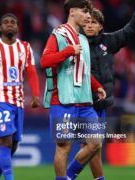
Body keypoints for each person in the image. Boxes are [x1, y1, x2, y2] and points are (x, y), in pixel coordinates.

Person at [40, 0, 106, 179]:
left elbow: (83, 71)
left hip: (84, 101)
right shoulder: (58, 34)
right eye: (84, 12)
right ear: (72, 12)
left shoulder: (83, 39)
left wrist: (97, 86)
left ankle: (68, 175)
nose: (87, 16)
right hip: (63, 99)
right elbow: (45, 61)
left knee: (95, 143)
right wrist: (67, 51)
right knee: (64, 146)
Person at [82, 1, 135, 179]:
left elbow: (130, 31)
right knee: (91, 146)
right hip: (82, 103)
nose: (89, 26)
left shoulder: (108, 42)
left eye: (93, 23)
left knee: (93, 147)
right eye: (86, 22)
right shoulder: (76, 44)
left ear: (100, 27)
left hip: (101, 104)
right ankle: (69, 176)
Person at [0, 13, 41, 180]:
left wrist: (35, 94)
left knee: (14, 144)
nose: (9, 24)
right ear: (0, 28)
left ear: (18, 27)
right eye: (6, 22)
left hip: (18, 101)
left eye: (13, 22)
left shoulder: (25, 47)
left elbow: (32, 72)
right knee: (5, 141)